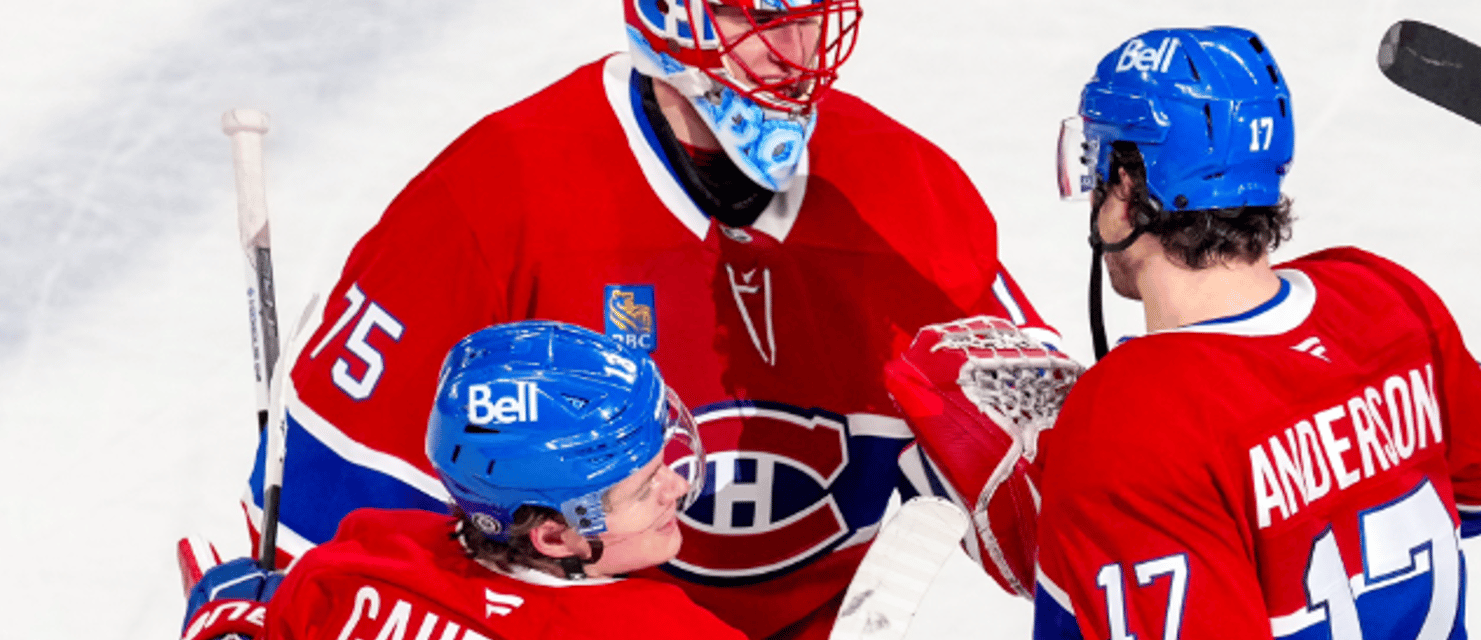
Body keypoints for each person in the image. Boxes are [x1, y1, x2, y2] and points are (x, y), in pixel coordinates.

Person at [242, 2, 1055, 638]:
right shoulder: (492, 197)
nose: (795, 55)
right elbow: (331, 533)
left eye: (809, 17)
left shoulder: (906, 195)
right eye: (752, 18)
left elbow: (1048, 488)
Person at [1028, 26, 1481, 639]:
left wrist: (1075, 507)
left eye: (1094, 160)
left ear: (1126, 183)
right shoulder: (1380, 297)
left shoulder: (1127, 425)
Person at [185, 320, 745, 640]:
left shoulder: (355, 565)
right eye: (645, 488)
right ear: (553, 536)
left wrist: (235, 621)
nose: (674, 487)